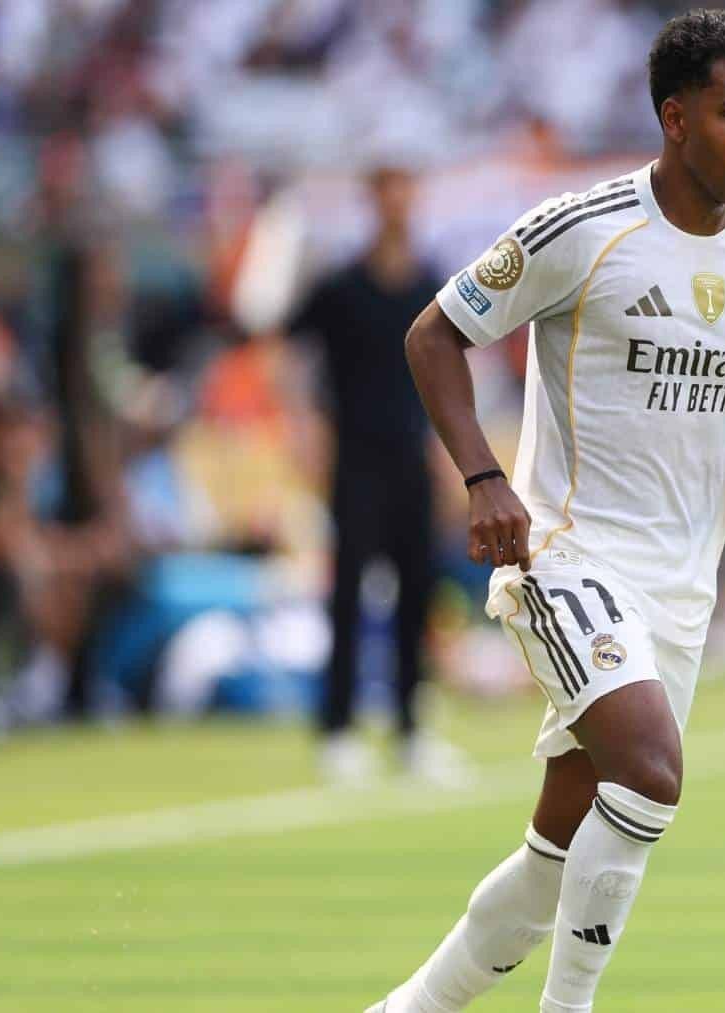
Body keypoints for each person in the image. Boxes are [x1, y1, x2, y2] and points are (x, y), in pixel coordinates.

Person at [373, 11, 725, 1012]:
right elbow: (433, 336)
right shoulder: (582, 231)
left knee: (557, 855)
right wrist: (484, 478)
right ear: (675, 118)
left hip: (682, 587)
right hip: (568, 552)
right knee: (651, 771)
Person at [287, 166, 465, 785]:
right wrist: (305, 429)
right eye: (387, 187)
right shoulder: (341, 286)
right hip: (354, 457)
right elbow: (292, 352)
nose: (397, 200)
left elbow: (450, 373)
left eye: (405, 187)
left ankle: (411, 728)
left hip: (411, 457)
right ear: (372, 198)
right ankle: (337, 729)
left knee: (419, 589)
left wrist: (451, 456)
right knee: (348, 591)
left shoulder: (430, 284)